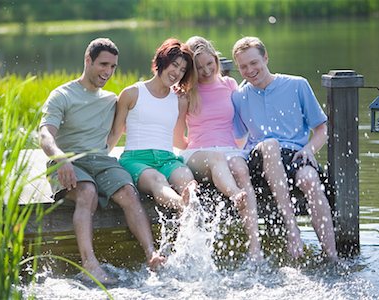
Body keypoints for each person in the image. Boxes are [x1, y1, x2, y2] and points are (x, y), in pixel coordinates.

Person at [39, 38, 165, 285]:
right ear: (88, 60)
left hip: (101, 161)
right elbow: (45, 134)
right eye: (103, 65)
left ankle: (152, 255)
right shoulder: (62, 95)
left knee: (129, 192)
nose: (108, 72)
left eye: (113, 67)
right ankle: (90, 264)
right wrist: (60, 157)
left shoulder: (110, 100)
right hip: (69, 162)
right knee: (88, 193)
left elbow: (126, 125)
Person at [231, 36, 338, 261]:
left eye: (254, 63)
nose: (250, 70)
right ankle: (292, 229)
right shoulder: (239, 96)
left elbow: (322, 129)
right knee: (270, 145)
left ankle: (331, 257)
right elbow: (236, 139)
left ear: (266, 58)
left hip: (294, 154)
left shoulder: (297, 85)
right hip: (259, 160)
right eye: (243, 66)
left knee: (310, 178)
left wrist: (309, 149)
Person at [173, 36, 262, 262]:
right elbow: (176, 137)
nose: (206, 70)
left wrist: (233, 148)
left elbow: (239, 128)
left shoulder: (229, 85)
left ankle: (254, 247)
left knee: (241, 170)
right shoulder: (185, 93)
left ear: (215, 59)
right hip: (198, 154)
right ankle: (234, 194)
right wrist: (194, 149)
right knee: (215, 158)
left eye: (209, 64)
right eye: (199, 67)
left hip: (229, 150)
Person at [107, 38, 197, 212]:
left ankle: (191, 223)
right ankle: (182, 206)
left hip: (168, 159)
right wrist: (98, 160)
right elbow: (115, 133)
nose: (177, 72)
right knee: (158, 181)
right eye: (175, 65)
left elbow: (177, 140)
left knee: (188, 181)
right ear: (162, 61)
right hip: (136, 160)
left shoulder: (179, 99)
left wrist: (199, 149)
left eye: (183, 69)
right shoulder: (132, 93)